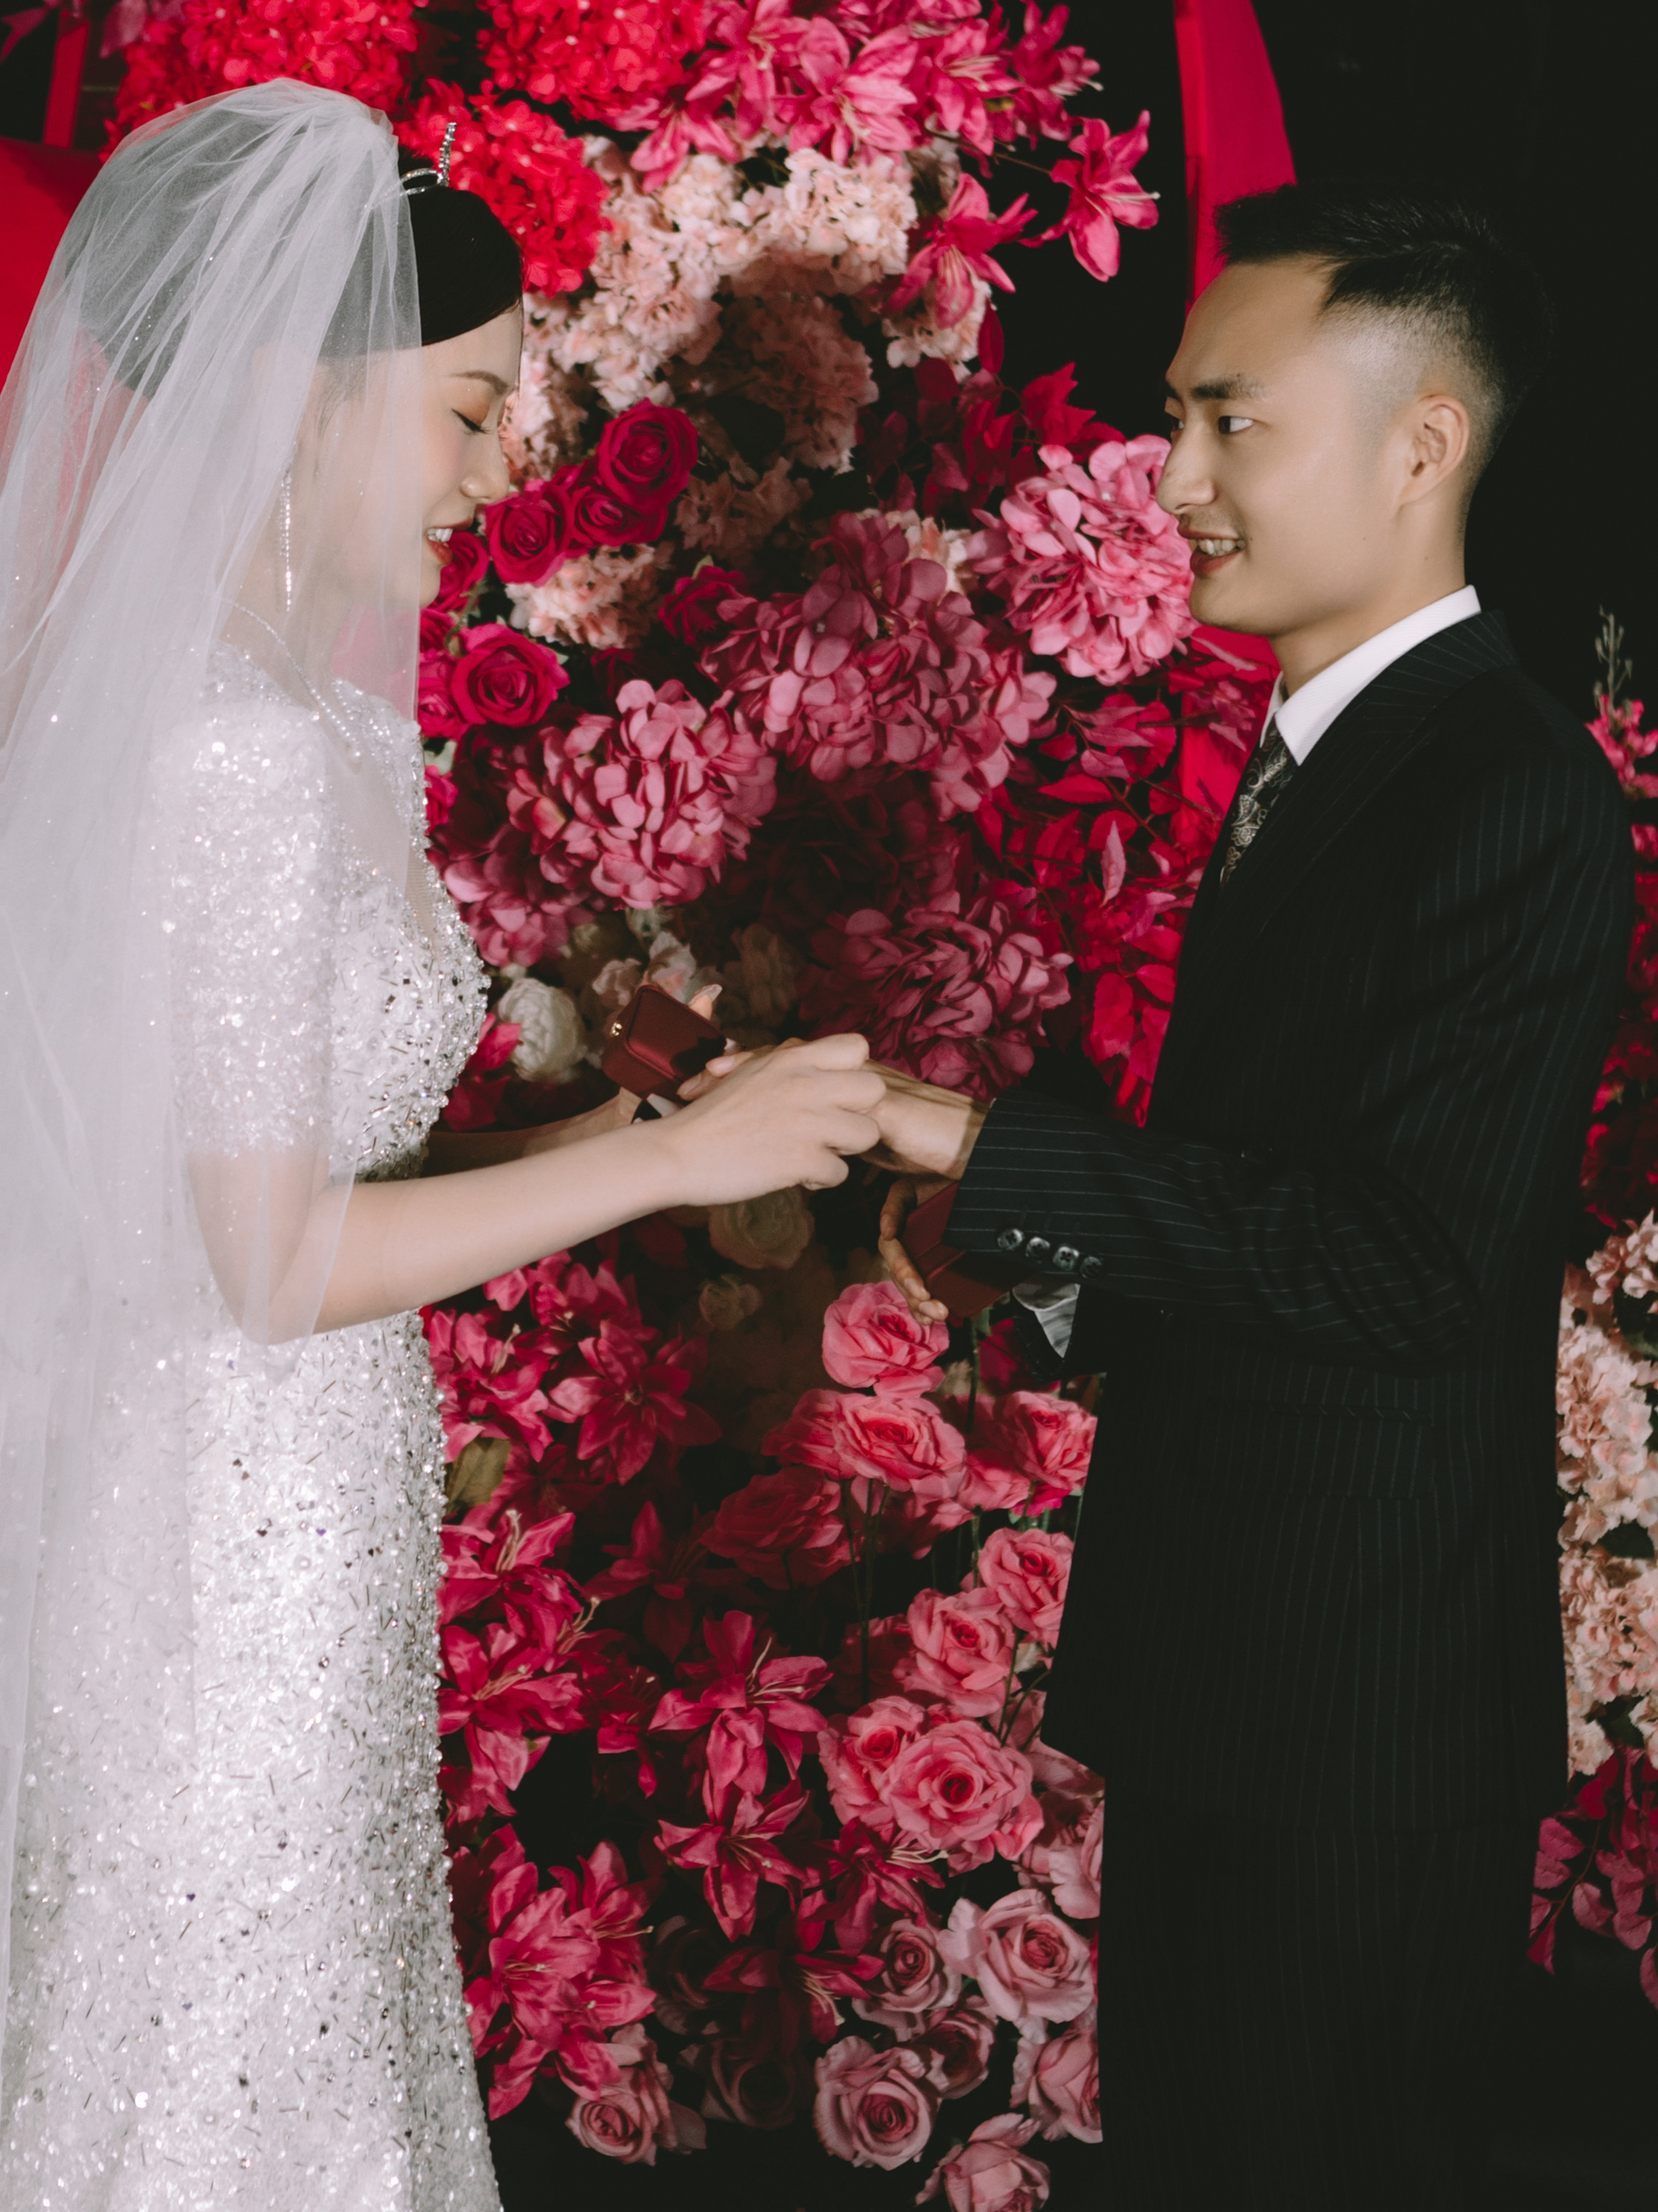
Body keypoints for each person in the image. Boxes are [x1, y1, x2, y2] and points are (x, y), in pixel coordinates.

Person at [0, 83, 880, 2205]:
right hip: (230, 1526)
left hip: (264, 1493)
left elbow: (243, 1175)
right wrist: (665, 1168)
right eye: (470, 410)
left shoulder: (268, 709)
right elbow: (265, 1262)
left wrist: (608, 1122)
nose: (502, 467)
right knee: (223, 2066)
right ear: (294, 400)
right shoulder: (233, 750)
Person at [872, 184, 1632, 2207]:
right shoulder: (1331, 759)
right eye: (1175, 417)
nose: (1176, 478)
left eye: (1232, 422)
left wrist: (979, 1141)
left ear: (1420, 443)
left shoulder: (1505, 786)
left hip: (1356, 1708)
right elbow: (1274, 1206)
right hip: (1242, 1669)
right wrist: (1035, 1271)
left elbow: (1408, 1266)